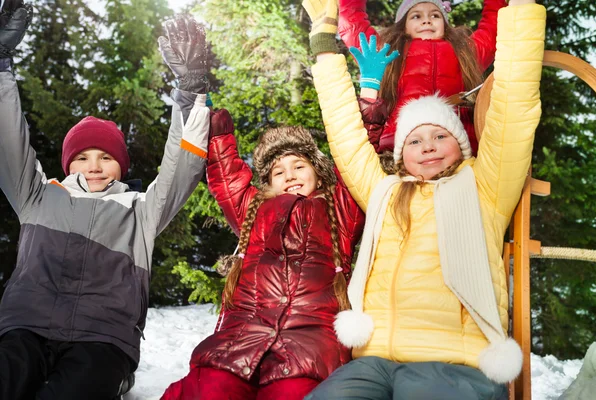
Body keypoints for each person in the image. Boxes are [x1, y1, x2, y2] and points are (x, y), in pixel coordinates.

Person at [302, 0, 545, 398]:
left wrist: (518, 10)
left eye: (440, 136)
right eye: (414, 140)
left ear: (463, 143)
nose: (428, 147)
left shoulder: (485, 186)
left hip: (454, 364)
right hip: (374, 361)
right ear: (400, 152)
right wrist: (325, 45)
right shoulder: (382, 190)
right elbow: (344, 132)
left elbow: (514, 104)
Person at [0, 8, 210, 400]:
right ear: (67, 165)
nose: (94, 167)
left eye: (105, 157)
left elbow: (184, 165)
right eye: (82, 158)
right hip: (25, 328)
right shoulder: (37, 196)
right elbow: (7, 142)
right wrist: (0, 66)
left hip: (103, 340)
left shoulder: (141, 210)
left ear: (121, 165)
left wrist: (191, 90)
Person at [160, 107, 365, 399]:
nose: (290, 175)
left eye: (299, 166)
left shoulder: (339, 211)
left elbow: (357, 162)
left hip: (309, 343)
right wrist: (218, 137)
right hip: (244, 334)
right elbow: (227, 179)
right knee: (212, 388)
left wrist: (368, 114)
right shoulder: (254, 210)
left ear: (319, 174)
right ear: (268, 184)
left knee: (295, 393)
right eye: (278, 172)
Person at [338, 0, 507, 167]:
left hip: (459, 146)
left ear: (445, 24)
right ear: (403, 26)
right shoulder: (388, 53)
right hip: (400, 147)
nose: (426, 20)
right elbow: (354, 25)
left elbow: (493, 28)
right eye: (416, 16)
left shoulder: (465, 52)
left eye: (435, 15)